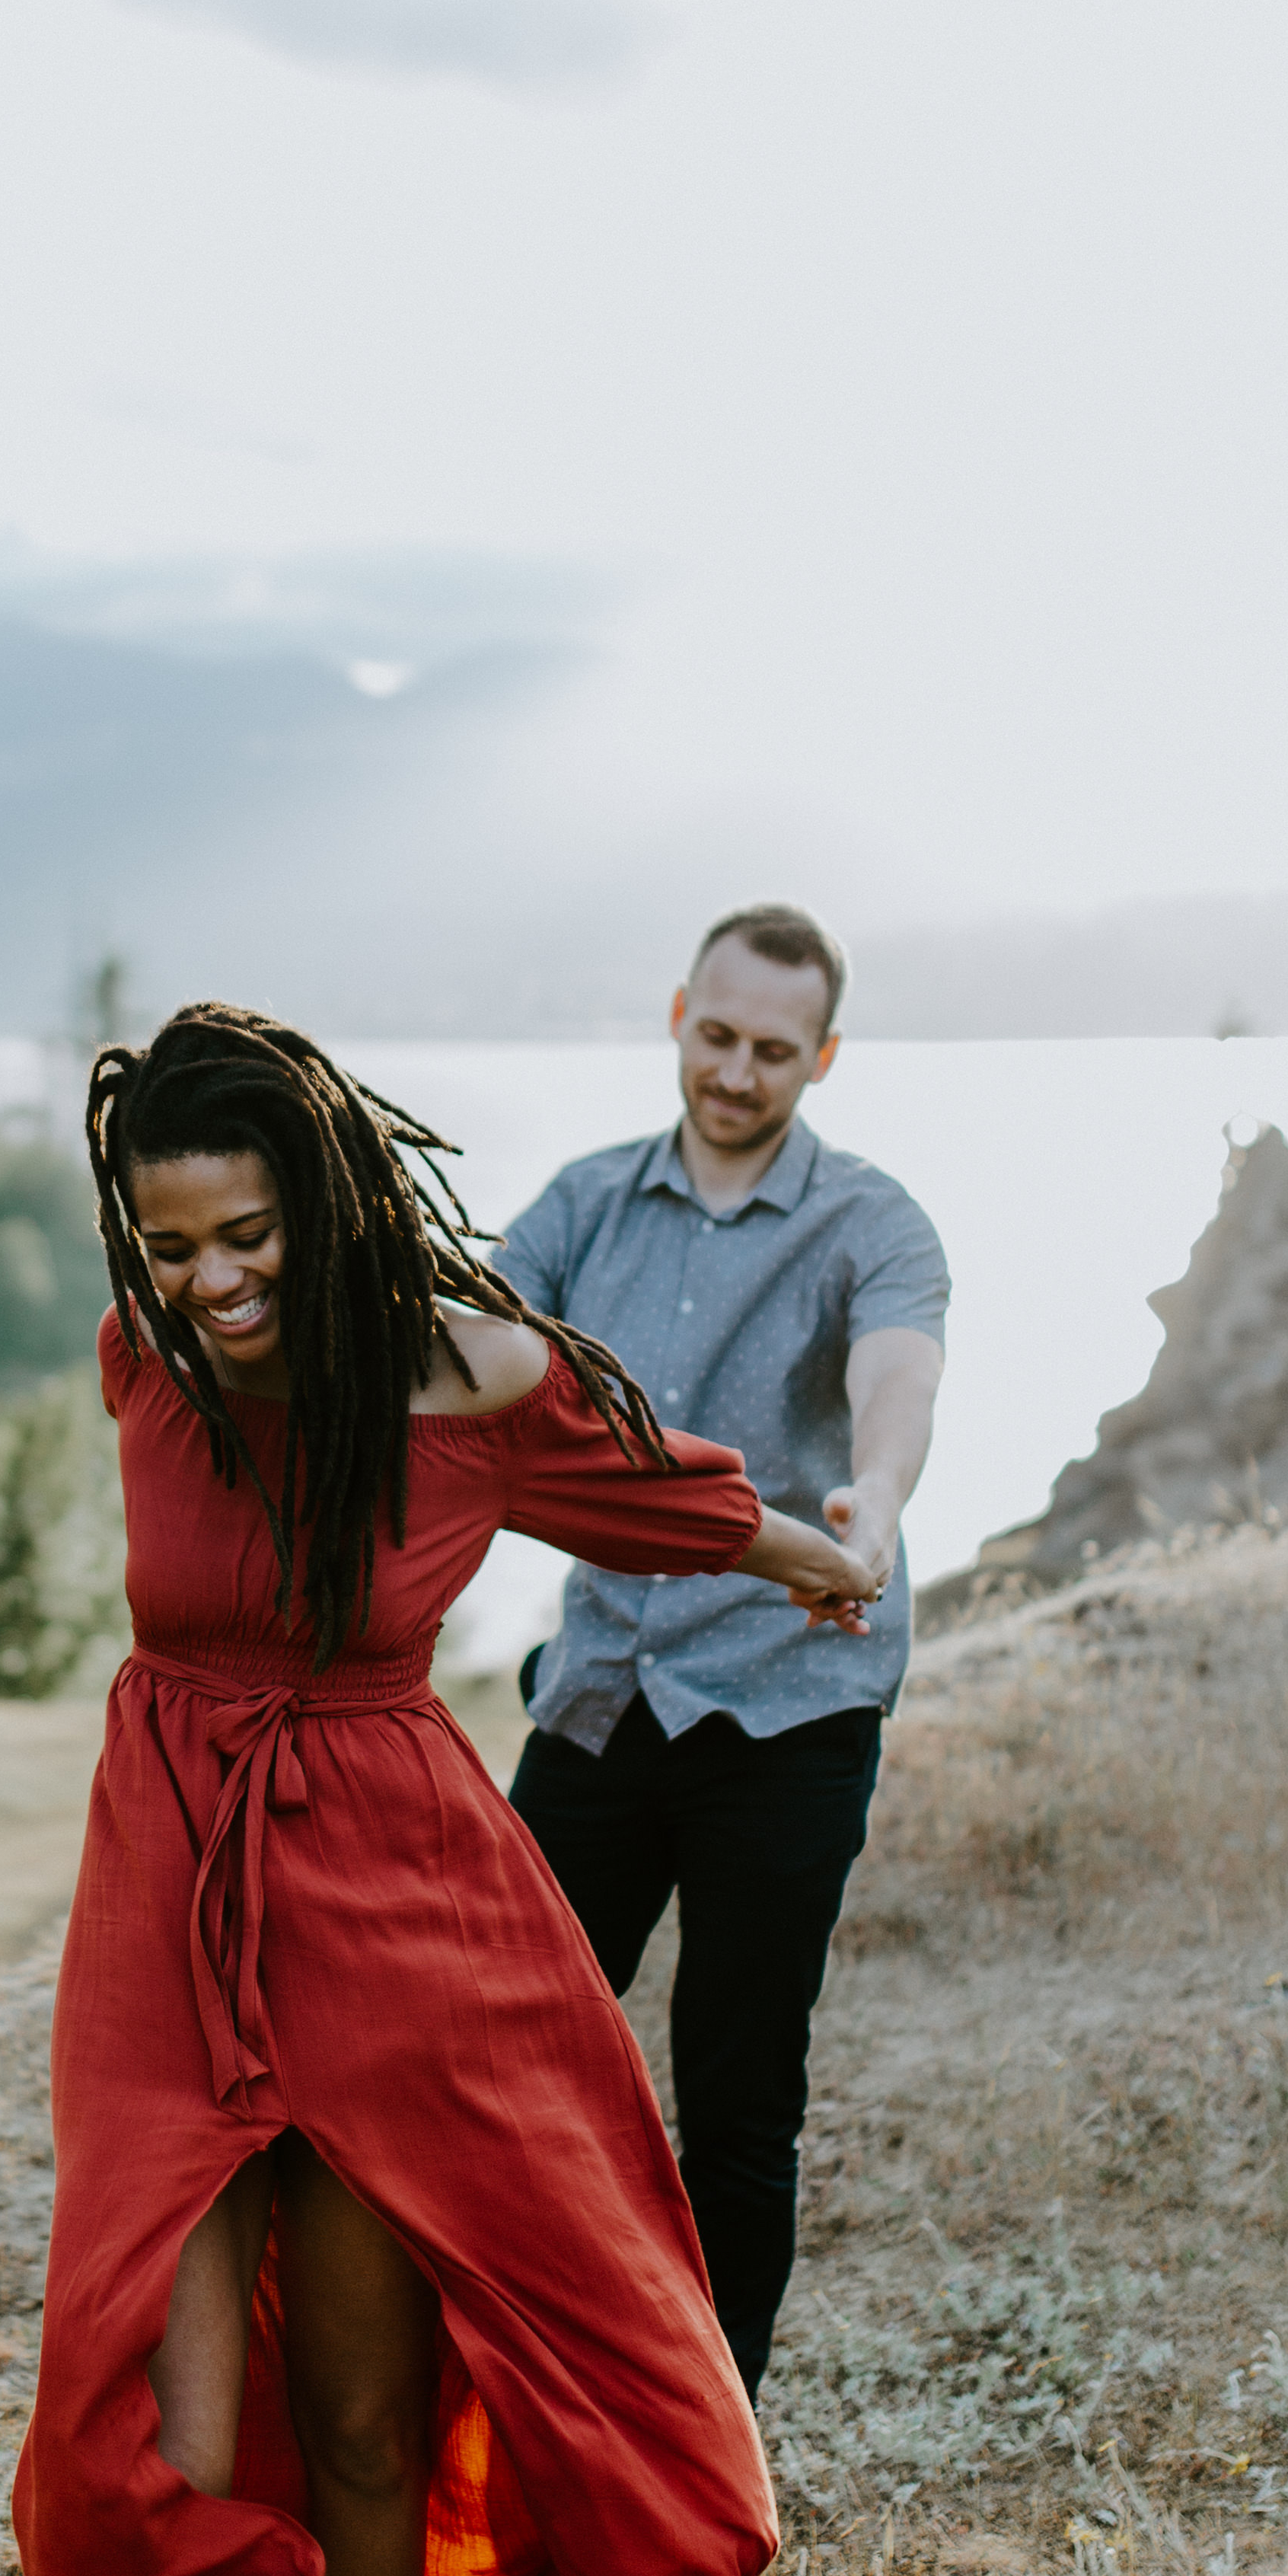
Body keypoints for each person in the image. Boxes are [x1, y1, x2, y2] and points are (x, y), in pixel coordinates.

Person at [9, 1004, 876, 2576]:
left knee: (384, 2419)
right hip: (168, 1916)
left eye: (245, 1239)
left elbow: (645, 1492)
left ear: (316, 1204)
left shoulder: (465, 1377)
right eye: (172, 1246)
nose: (210, 1284)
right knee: (154, 2418)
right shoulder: (146, 1366)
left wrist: (811, 1551)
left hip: (394, 1932)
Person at [497, 901, 948, 2403]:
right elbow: (467, 1351)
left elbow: (896, 1386)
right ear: (679, 1015)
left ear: (821, 1055)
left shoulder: (870, 1223)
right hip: (603, 1696)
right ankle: (519, 2382)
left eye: (773, 1051)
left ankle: (715, 2435)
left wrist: (871, 1501)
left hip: (788, 1701)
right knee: (503, 2051)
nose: (738, 1074)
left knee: (740, 2096)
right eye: (717, 1037)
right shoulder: (584, 1208)